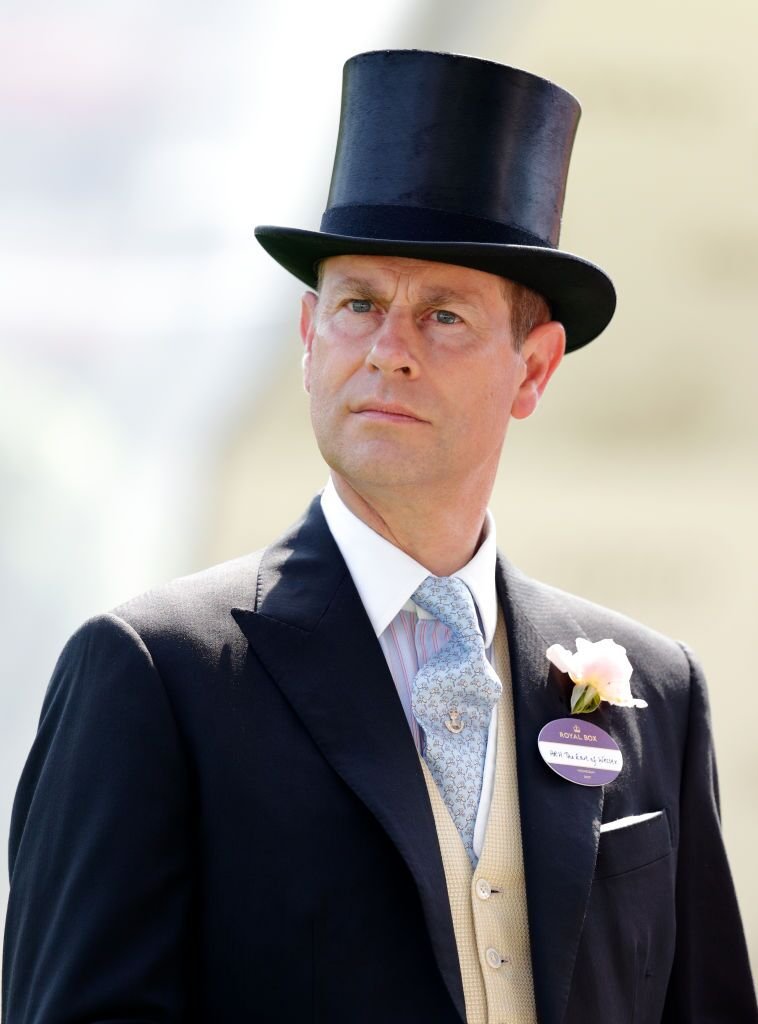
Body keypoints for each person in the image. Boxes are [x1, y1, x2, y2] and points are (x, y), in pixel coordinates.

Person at [2, 49, 755, 1024]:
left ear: (533, 369)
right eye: (359, 304)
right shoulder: (150, 676)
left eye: (442, 315)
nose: (388, 350)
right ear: (310, 334)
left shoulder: (652, 689)